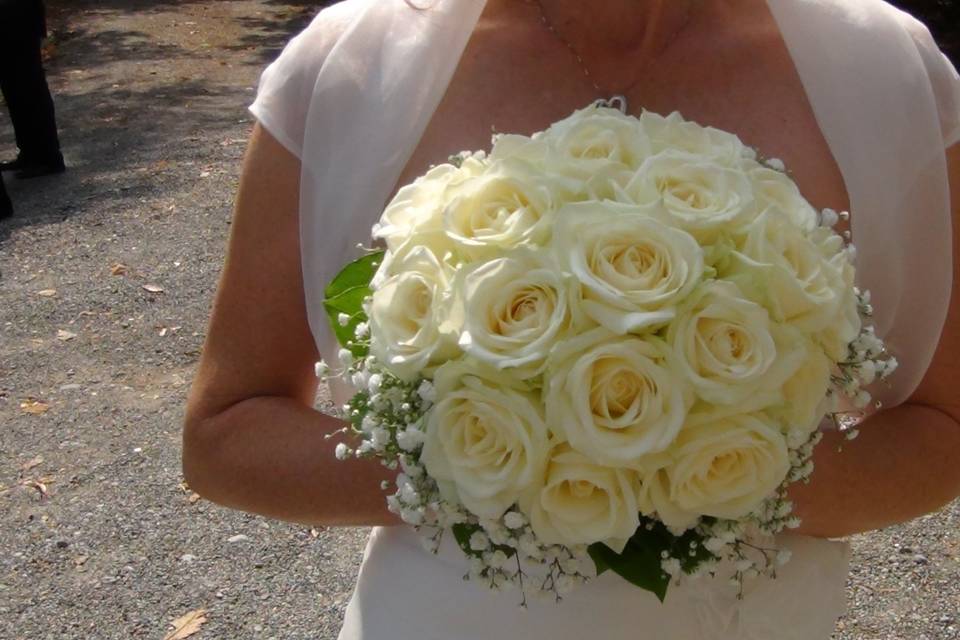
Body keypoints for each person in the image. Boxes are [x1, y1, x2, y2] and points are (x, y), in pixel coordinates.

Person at [182, 0, 960, 638]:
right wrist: (499, 464)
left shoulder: (884, 72)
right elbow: (226, 432)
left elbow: (944, 426)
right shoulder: (349, 68)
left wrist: (704, 470)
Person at [0, 0, 65, 179]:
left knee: (29, 89)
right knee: (14, 91)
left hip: (18, 17)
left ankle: (48, 158)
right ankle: (30, 153)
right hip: (11, 16)